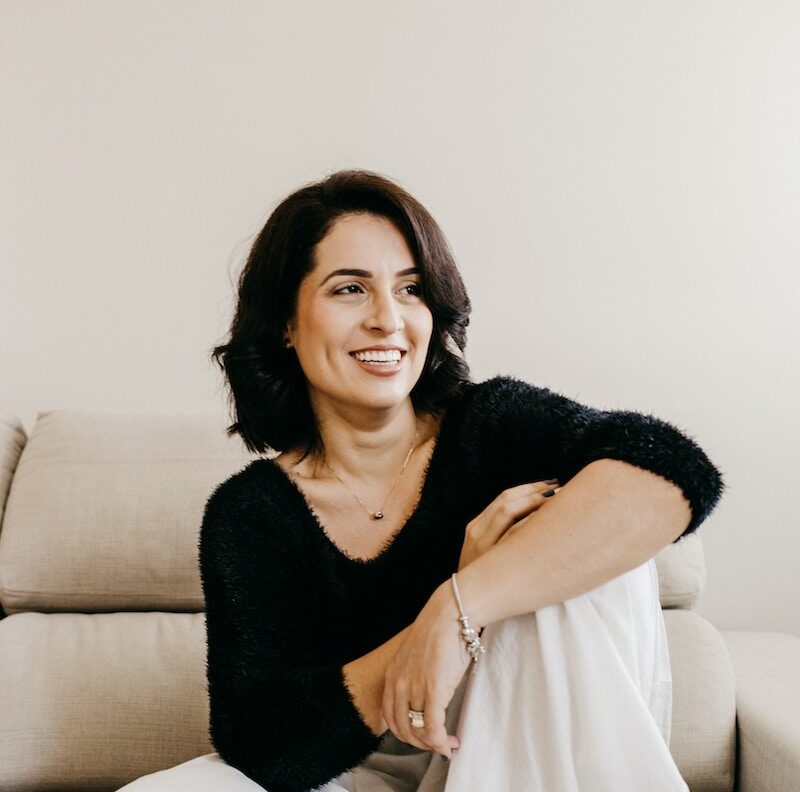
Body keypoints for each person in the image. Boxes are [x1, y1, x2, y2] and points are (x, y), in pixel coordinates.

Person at [118, 169, 724, 792]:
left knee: (568, 545)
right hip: (358, 775)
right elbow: (263, 740)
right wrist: (432, 636)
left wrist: (466, 600)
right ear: (286, 323)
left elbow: (676, 472)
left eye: (410, 289)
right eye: (350, 289)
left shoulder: (493, 424)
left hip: (520, 745)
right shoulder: (251, 512)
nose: (388, 319)